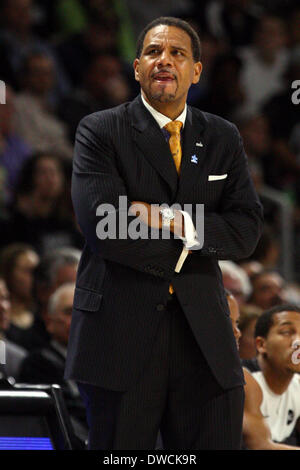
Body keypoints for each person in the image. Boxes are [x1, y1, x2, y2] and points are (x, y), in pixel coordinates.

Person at [65, 16, 263, 450]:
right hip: (120, 334)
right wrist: (202, 236)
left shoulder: (222, 136)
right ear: (136, 68)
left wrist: (176, 220)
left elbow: (247, 231)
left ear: (196, 71)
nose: (164, 60)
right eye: (154, 52)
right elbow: (106, 227)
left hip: (205, 340)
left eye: (178, 53)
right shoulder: (100, 130)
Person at [226, 292, 300, 449]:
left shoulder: (297, 386)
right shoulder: (241, 379)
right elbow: (260, 446)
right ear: (261, 344)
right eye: (287, 332)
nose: (297, 342)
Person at [19, 282, 88, 443]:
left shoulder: (102, 361)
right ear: (49, 321)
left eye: (82, 311)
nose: (78, 319)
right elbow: (62, 413)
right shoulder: (38, 363)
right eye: (69, 312)